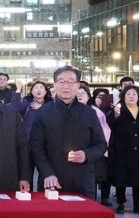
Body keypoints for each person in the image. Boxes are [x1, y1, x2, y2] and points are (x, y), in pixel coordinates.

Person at [28, 66, 106, 200]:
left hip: (82, 179)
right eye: (61, 81)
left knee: (85, 213)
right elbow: (36, 147)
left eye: (71, 82)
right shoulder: (43, 113)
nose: (66, 86)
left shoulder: (89, 113)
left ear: (77, 85)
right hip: (52, 181)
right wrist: (47, 173)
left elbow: (101, 145)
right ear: (54, 85)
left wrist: (86, 155)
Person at [108, 85, 139, 214]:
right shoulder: (118, 109)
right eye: (128, 94)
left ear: (138, 97)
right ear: (123, 96)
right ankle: (121, 203)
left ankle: (138, 205)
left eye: (134, 94)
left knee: (138, 179)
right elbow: (110, 124)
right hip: (122, 150)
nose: (131, 96)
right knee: (121, 177)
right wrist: (116, 115)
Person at [77, 84, 111, 203]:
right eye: (77, 94)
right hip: (73, 153)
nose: (80, 96)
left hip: (91, 152)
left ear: (88, 96)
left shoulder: (95, 112)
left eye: (82, 94)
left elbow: (105, 132)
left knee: (91, 182)